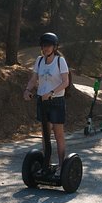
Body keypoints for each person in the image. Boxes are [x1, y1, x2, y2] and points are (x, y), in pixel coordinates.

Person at [23, 32, 70, 177]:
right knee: (45, 135)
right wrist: (27, 90)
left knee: (58, 134)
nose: (46, 48)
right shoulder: (39, 60)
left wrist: (51, 92)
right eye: (44, 46)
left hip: (56, 101)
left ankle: (62, 166)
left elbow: (65, 82)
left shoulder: (59, 61)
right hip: (42, 101)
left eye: (49, 46)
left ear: (54, 47)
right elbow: (33, 79)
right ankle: (46, 165)